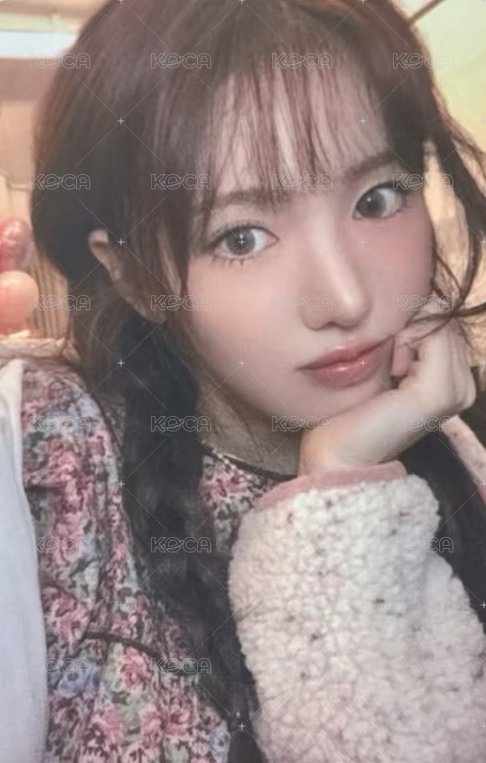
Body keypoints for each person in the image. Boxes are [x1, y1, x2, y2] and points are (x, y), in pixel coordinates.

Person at [1, 0, 486, 760]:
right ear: (133, 274)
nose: (345, 299)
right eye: (242, 237)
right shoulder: (47, 463)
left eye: (377, 199)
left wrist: (343, 479)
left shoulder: (452, 431)